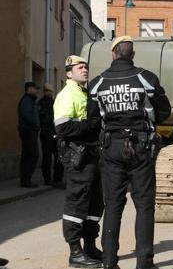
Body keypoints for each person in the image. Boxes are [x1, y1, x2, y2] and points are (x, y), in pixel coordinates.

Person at [89, 36, 171, 269]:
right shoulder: (146, 78)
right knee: (144, 205)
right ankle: (144, 263)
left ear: (113, 54)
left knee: (113, 204)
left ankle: (109, 262)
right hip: (140, 146)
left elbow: (93, 117)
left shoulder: (98, 82)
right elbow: (164, 111)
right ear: (132, 55)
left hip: (111, 147)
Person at [54, 55, 104, 268]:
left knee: (95, 202)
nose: (84, 70)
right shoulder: (67, 94)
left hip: (91, 153)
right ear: (69, 73)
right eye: (79, 67)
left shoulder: (85, 92)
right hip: (77, 156)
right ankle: (75, 252)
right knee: (77, 202)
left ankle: (90, 246)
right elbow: (63, 128)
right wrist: (91, 125)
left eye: (86, 67)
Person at [17, 81, 41, 188]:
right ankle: (26, 180)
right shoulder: (27, 100)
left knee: (30, 155)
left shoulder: (30, 100)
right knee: (31, 155)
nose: (36, 91)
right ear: (29, 89)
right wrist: (35, 125)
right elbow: (27, 115)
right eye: (35, 88)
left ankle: (26, 180)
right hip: (28, 131)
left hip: (30, 131)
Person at [39, 83, 63, 186]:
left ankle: (57, 179)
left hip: (55, 133)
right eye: (47, 91)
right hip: (46, 133)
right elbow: (43, 119)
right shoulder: (40, 103)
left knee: (58, 156)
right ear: (44, 92)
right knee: (47, 158)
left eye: (50, 91)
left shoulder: (54, 103)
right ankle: (47, 179)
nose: (49, 93)